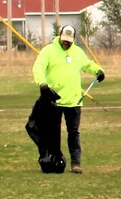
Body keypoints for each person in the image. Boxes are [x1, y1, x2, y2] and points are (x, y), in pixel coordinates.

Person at [31, 25, 105, 174]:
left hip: (74, 100)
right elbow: (38, 67)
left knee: (74, 132)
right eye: (64, 40)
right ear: (60, 36)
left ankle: (76, 163)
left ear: (73, 40)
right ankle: (53, 161)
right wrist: (42, 84)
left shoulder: (77, 52)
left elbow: (87, 64)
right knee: (53, 134)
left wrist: (98, 70)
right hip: (54, 101)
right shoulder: (49, 51)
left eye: (69, 41)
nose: (66, 43)